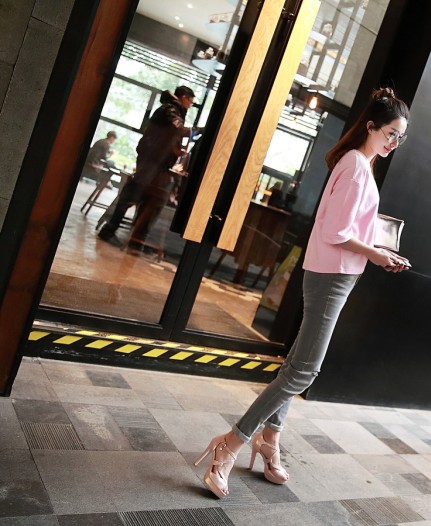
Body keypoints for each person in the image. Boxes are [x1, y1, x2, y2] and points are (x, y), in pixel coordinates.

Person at [193, 87, 411, 498]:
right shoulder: (356, 166)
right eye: (391, 134)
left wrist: (378, 249)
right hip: (331, 275)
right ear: (371, 127)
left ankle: (269, 437)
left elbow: (346, 226)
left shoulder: (359, 164)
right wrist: (377, 254)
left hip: (336, 274)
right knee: (305, 371)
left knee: (297, 365)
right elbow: (336, 232)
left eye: (400, 137)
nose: (394, 143)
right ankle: (231, 443)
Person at [98, 86, 195, 245]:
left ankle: (131, 237)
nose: (190, 105)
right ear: (183, 97)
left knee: (141, 196)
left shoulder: (171, 109)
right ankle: (111, 231)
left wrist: (175, 150)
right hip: (152, 160)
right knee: (133, 195)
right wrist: (193, 131)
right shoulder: (170, 109)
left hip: (154, 160)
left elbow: (168, 136)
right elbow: (176, 128)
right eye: (190, 101)